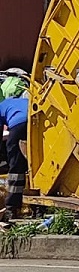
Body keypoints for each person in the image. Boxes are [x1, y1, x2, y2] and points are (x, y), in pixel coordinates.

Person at [0, 69, 29, 222]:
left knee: (16, 166)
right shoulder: (21, 100)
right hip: (36, 120)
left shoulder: (1, 105)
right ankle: (38, 205)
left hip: (18, 124)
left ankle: (12, 206)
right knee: (35, 164)